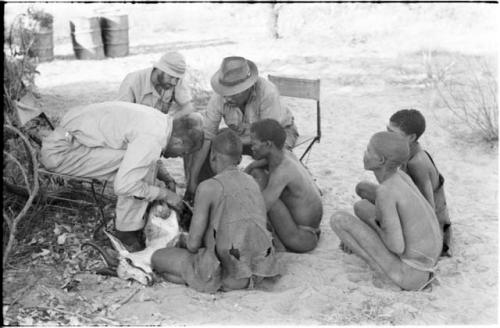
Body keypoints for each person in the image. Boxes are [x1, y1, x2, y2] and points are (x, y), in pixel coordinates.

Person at [40, 101, 204, 251]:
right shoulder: (153, 139)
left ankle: (134, 222)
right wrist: (166, 195)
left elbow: (142, 150)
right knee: (139, 173)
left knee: (143, 165)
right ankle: (126, 233)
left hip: (71, 142)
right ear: (177, 142)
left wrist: (166, 176)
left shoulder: (161, 123)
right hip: (61, 153)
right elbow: (125, 185)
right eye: (182, 153)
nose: (178, 157)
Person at [151, 129, 281, 293]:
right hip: (261, 270)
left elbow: (193, 245)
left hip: (231, 273)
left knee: (158, 258)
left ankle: (212, 282)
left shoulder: (208, 187)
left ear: (212, 156)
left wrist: (184, 241)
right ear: (240, 158)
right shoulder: (252, 181)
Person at [330, 131, 443, 291]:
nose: (364, 153)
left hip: (410, 273)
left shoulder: (386, 191)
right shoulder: (401, 176)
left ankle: (383, 274)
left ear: (381, 160)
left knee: (338, 219)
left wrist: (373, 224)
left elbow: (396, 247)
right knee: (361, 205)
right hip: (428, 261)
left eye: (369, 151)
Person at [185, 56, 299, 203]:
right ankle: (208, 196)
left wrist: (250, 166)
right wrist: (192, 181)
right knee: (210, 146)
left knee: (272, 166)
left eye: (232, 93)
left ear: (247, 88)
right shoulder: (220, 97)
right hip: (243, 135)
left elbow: (269, 139)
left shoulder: (267, 93)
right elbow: (207, 136)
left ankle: (274, 201)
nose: (226, 98)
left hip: (277, 133)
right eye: (225, 92)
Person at [356, 109, 452, 257]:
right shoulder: (403, 151)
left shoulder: (417, 163)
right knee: (363, 189)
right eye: (387, 130)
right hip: (408, 207)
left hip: (433, 230)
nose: (388, 135)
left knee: (363, 209)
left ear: (412, 137)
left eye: (392, 132)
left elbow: (428, 207)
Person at [247, 119, 322, 253]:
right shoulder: (285, 154)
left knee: (260, 190)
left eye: (254, 144)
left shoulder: (282, 171)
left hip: (302, 238)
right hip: (308, 230)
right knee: (257, 173)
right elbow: (256, 166)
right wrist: (250, 166)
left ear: (268, 144)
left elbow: (260, 209)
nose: (251, 148)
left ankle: (277, 243)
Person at [118, 51, 194, 115]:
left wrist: (170, 122)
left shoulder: (175, 80)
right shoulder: (132, 81)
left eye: (177, 78)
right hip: (137, 127)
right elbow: (122, 116)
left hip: (161, 126)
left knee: (195, 119)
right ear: (160, 70)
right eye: (171, 77)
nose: (174, 82)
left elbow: (188, 108)